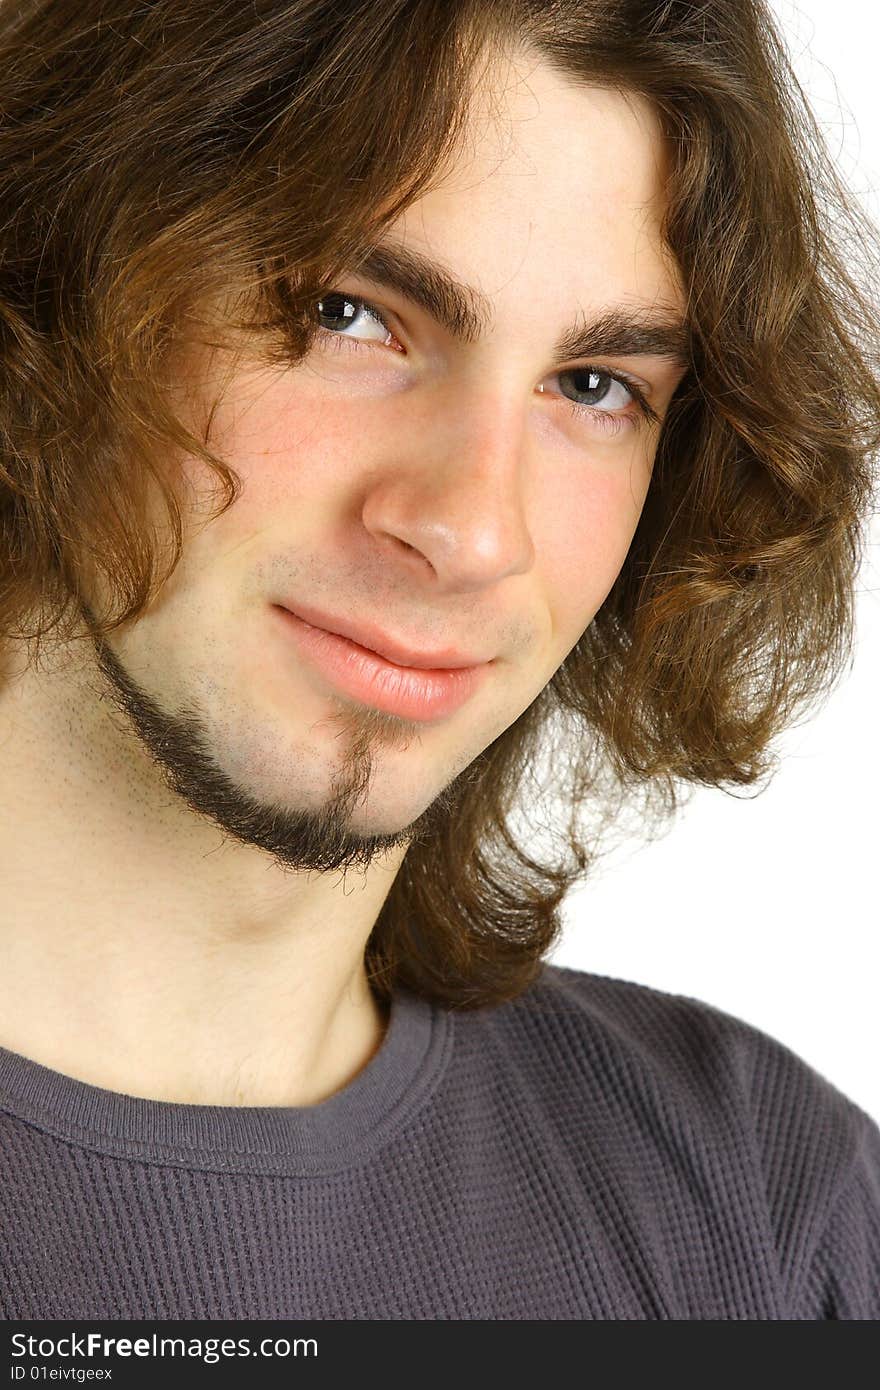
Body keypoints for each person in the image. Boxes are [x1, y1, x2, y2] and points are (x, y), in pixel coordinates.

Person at [0, 0, 878, 1322]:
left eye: (593, 386)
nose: (472, 529)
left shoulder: (769, 1219)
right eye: (350, 314)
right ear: (51, 281)